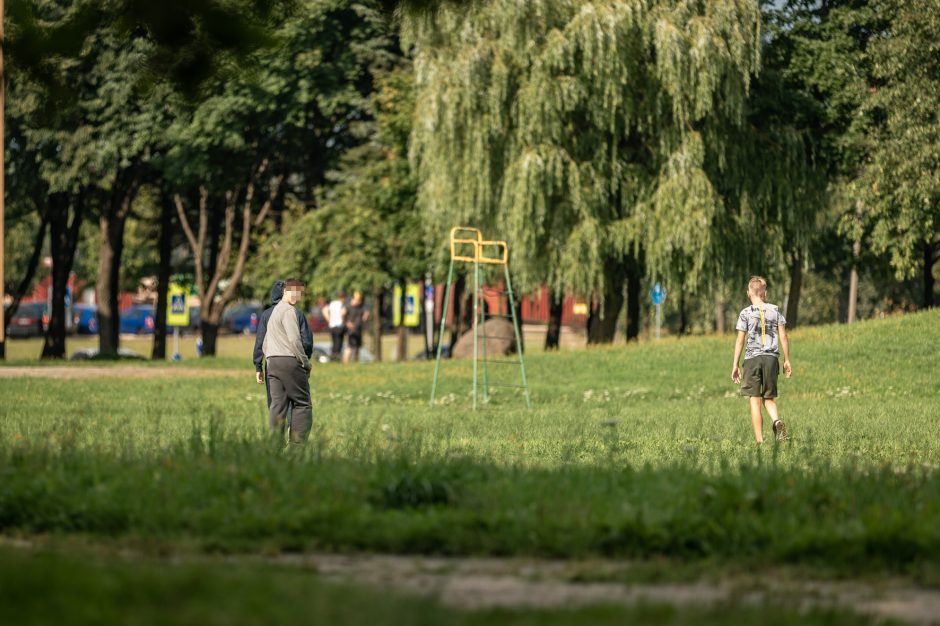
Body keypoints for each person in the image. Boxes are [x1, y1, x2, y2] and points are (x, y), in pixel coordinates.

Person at [731, 276, 792, 443]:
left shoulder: (745, 313)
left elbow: (740, 340)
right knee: (768, 398)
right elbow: (783, 336)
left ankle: (760, 441)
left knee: (755, 401)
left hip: (752, 359)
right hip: (772, 359)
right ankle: (776, 421)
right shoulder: (775, 311)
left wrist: (735, 364)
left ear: (749, 293)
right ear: (765, 293)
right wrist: (787, 360)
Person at [256, 278, 314, 444]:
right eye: (294, 292)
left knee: (277, 406)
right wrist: (305, 362)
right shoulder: (289, 311)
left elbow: (265, 342)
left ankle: (275, 446)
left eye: (300, 293)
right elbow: (295, 340)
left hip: (272, 364)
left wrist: (267, 360)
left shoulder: (272, 312)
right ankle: (298, 446)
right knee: (302, 404)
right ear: (285, 292)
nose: (297, 296)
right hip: (289, 362)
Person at [343, 291, 370, 363]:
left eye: (359, 300)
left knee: (358, 346)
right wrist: (347, 323)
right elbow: (343, 315)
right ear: (353, 299)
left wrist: (366, 316)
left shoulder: (361, 306)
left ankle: (356, 361)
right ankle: (345, 362)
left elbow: (366, 314)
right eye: (356, 300)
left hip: (358, 328)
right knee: (350, 346)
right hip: (351, 329)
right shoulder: (348, 306)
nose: (358, 301)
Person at [324, 290, 347, 361]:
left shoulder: (332, 303)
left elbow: (324, 310)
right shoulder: (342, 304)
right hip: (339, 325)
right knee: (339, 343)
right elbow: (343, 313)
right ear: (343, 297)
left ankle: (333, 357)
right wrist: (343, 320)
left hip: (332, 325)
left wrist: (329, 320)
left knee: (334, 342)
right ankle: (336, 358)